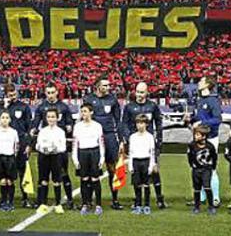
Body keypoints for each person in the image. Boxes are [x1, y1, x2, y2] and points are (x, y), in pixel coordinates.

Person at [82, 78, 124, 210]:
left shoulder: (113, 100)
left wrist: (121, 139)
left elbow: (118, 120)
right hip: (93, 136)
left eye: (108, 85)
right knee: (92, 168)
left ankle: (115, 199)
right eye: (105, 85)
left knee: (112, 168)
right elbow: (83, 118)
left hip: (109, 136)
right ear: (97, 86)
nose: (108, 87)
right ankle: (88, 200)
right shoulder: (88, 99)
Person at [123, 82, 167, 208]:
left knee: (154, 171)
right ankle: (137, 199)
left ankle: (159, 198)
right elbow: (124, 123)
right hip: (135, 143)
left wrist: (159, 138)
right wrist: (127, 137)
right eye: (137, 92)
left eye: (142, 92)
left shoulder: (153, 106)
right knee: (136, 172)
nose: (139, 94)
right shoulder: (129, 107)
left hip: (149, 143)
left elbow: (159, 123)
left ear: (147, 93)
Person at [32, 84, 74, 208]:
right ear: (45, 93)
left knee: (63, 174)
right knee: (43, 175)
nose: (50, 95)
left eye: (52, 92)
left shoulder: (64, 107)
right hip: (46, 143)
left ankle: (69, 199)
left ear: (57, 93)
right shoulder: (41, 107)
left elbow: (69, 121)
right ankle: (40, 201)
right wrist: (33, 128)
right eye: (48, 92)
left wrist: (69, 126)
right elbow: (36, 121)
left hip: (59, 145)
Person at [192, 77, 224, 207]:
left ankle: (215, 198)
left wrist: (202, 123)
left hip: (210, 138)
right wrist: (191, 118)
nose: (198, 83)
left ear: (207, 85)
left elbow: (218, 119)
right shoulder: (200, 101)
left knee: (211, 168)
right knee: (199, 167)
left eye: (201, 81)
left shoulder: (213, 101)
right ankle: (202, 197)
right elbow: (200, 117)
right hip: (200, 139)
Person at [0, 84, 32, 208]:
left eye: (14, 94)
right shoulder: (1, 107)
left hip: (21, 143)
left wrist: (29, 144)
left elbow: (29, 126)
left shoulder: (24, 107)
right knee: (6, 173)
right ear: (5, 95)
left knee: (23, 171)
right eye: (9, 94)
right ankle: (5, 199)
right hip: (5, 144)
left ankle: (25, 198)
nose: (12, 97)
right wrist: (5, 106)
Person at [72, 103, 104, 215]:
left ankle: (98, 205)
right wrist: (75, 158)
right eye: (82, 111)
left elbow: (101, 143)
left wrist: (102, 158)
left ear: (91, 112)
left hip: (94, 152)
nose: (83, 114)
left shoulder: (97, 126)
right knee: (84, 179)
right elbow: (75, 144)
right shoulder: (77, 126)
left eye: (85, 111)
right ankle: (85, 204)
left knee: (95, 179)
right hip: (82, 153)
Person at [34, 107, 68, 214]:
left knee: (57, 180)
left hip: (56, 157)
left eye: (53, 117)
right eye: (48, 117)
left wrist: (54, 148)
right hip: (44, 157)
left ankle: (58, 204)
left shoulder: (60, 132)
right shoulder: (43, 131)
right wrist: (43, 148)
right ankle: (43, 203)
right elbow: (37, 145)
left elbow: (63, 147)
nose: (51, 119)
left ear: (57, 118)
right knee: (43, 180)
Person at [127, 114, 158, 215]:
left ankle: (147, 205)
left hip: (146, 161)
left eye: (142, 123)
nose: (140, 125)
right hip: (136, 161)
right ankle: (138, 205)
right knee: (137, 185)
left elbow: (152, 152)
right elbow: (131, 152)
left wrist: (151, 165)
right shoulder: (133, 137)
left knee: (146, 185)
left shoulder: (149, 137)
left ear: (146, 124)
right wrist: (130, 164)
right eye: (138, 123)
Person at [0, 110, 21, 212]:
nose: (4, 120)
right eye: (2, 118)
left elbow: (16, 145)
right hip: (0, 158)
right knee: (3, 181)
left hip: (10, 158)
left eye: (6, 118)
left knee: (10, 181)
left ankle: (11, 201)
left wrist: (13, 155)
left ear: (10, 119)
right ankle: (3, 201)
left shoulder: (13, 132)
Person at [186, 123, 217, 215]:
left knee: (207, 187)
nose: (195, 136)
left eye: (198, 135)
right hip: (196, 170)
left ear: (204, 136)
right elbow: (189, 156)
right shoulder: (192, 145)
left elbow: (214, 157)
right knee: (196, 188)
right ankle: (196, 206)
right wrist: (192, 165)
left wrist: (212, 167)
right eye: (195, 134)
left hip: (206, 169)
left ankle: (211, 206)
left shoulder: (210, 146)